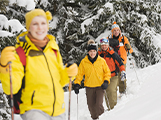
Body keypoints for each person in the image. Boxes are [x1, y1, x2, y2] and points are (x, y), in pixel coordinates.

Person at [0, 9, 78, 120]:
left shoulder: (53, 50)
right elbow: (11, 88)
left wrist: (70, 73)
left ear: (47, 26)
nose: (40, 27)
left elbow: (60, 80)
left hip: (57, 110)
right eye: (35, 24)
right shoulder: (21, 53)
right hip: (34, 111)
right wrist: (5, 68)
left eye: (43, 23)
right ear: (28, 28)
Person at [73, 39, 111, 120]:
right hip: (89, 87)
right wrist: (77, 84)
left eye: (94, 51)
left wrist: (106, 81)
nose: (92, 53)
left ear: (96, 51)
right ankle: (95, 118)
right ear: (88, 52)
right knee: (91, 105)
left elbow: (107, 72)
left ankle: (102, 117)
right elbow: (79, 74)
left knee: (98, 104)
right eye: (91, 51)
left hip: (100, 86)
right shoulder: (84, 62)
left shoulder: (101, 61)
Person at [98, 37, 126, 110]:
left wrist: (123, 71)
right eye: (102, 45)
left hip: (113, 76)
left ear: (108, 45)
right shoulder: (98, 55)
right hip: (103, 77)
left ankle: (114, 109)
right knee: (107, 92)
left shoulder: (113, 53)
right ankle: (110, 108)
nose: (104, 46)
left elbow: (120, 63)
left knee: (111, 91)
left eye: (105, 44)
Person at [108, 22, 133, 94]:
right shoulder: (108, 39)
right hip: (112, 61)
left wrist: (128, 48)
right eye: (114, 30)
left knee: (122, 75)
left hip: (122, 60)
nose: (116, 32)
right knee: (113, 77)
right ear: (112, 32)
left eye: (117, 30)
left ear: (120, 31)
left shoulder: (123, 38)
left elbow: (130, 50)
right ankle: (113, 92)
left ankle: (123, 91)